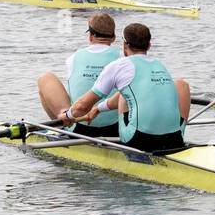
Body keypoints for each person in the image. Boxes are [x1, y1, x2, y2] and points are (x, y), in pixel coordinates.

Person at [61, 23, 190, 153]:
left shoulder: (119, 65)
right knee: (181, 85)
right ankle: (177, 134)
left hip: (139, 141)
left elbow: (83, 106)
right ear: (149, 45)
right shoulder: (159, 65)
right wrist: (98, 109)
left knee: (124, 90)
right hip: (174, 140)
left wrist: (68, 116)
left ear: (124, 45)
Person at [37, 13, 124, 137]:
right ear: (114, 37)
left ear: (90, 36)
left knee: (45, 78)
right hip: (116, 129)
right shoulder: (125, 58)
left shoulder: (73, 58)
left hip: (79, 126)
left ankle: (63, 125)